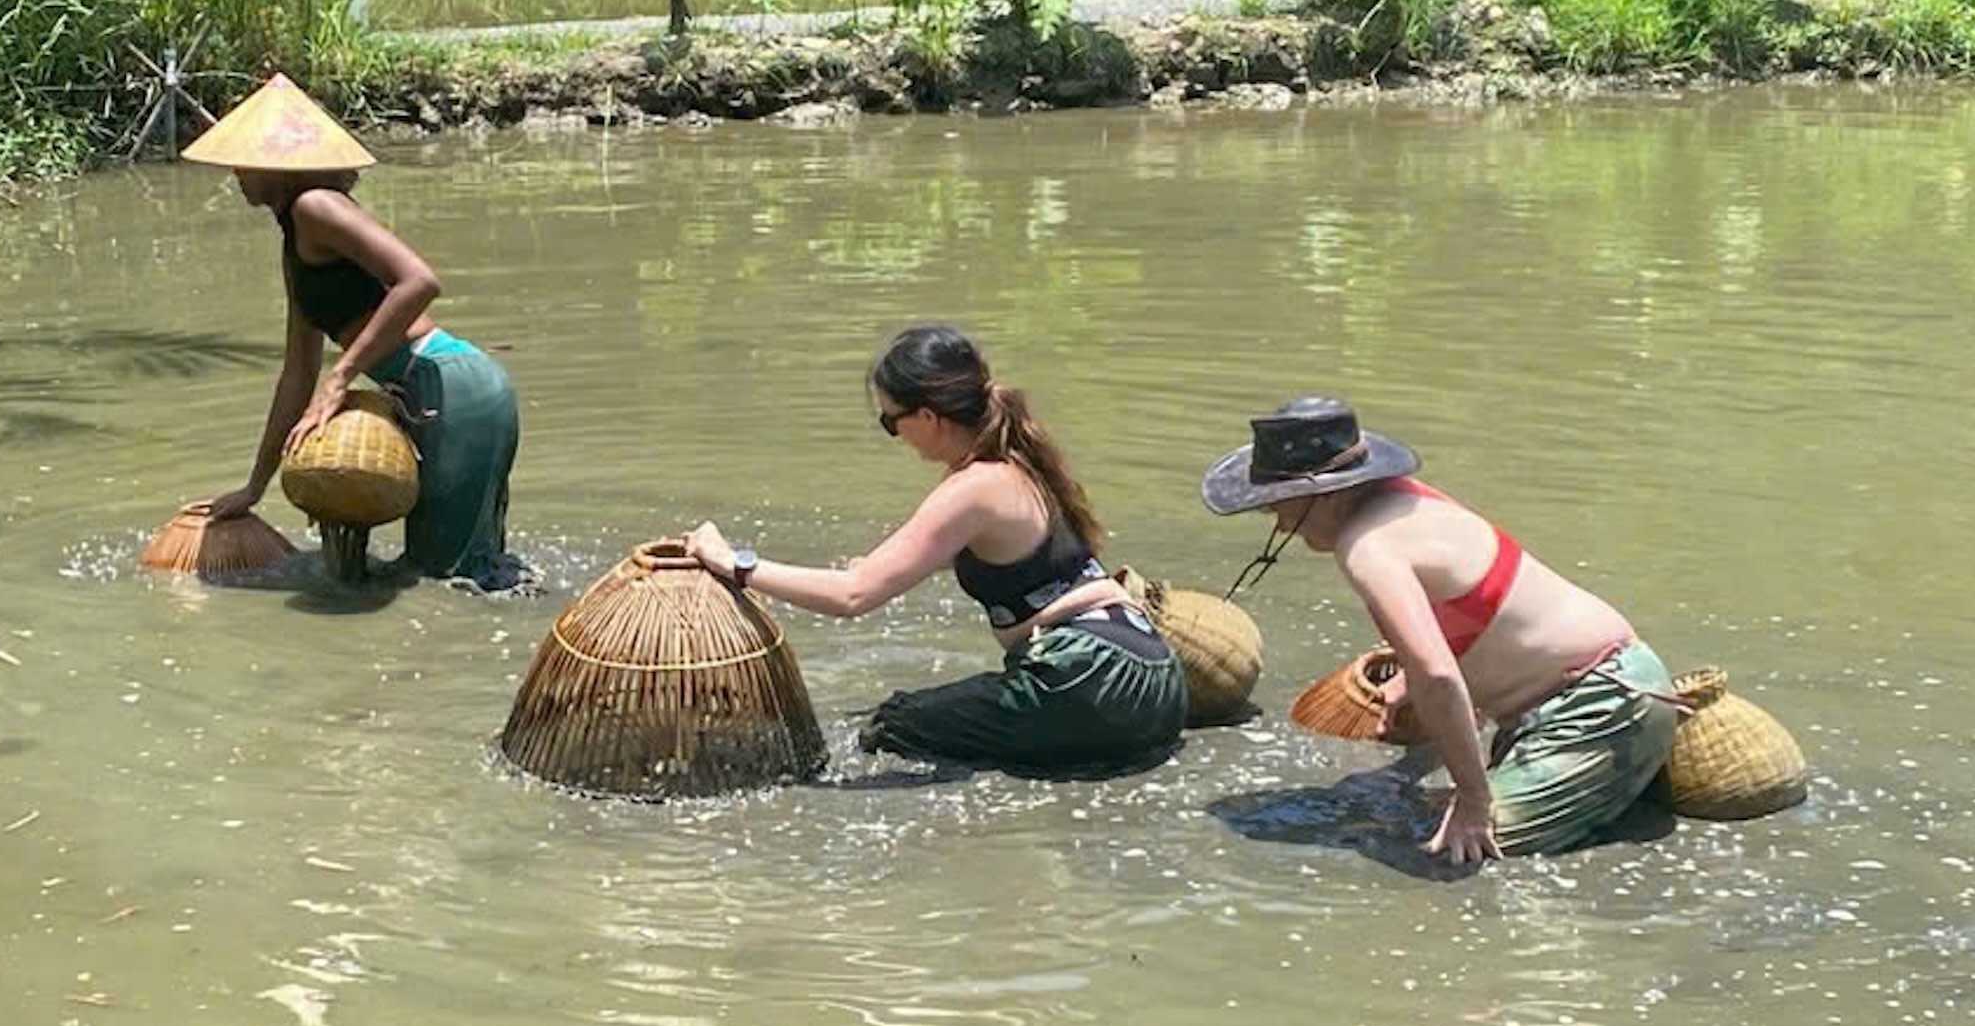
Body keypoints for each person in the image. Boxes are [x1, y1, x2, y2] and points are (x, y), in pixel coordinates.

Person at [685, 324, 1186, 779]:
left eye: (890, 421)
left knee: (895, 725)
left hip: (1090, 685)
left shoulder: (973, 487)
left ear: (926, 415)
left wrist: (736, 563)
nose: (894, 434)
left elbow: (852, 598)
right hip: (1157, 685)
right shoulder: (1020, 462)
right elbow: (997, 556)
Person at [1202, 397, 1677, 865]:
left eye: (1280, 506)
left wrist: (1473, 799)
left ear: (1325, 493)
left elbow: (1439, 674)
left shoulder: (1366, 548)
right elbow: (1480, 605)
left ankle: (1593, 788)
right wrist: (1410, 679)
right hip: (1609, 682)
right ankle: (1592, 793)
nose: (1280, 523)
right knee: (1422, 813)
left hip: (1603, 705)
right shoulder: (1413, 499)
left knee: (1443, 844)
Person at [187, 76, 526, 591]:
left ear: (275, 166)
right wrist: (256, 486)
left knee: (447, 577)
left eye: (243, 160)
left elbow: (419, 282)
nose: (234, 174)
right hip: (435, 393)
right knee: (456, 572)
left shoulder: (315, 206)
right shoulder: (295, 240)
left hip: (453, 389)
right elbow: (297, 375)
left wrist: (342, 376)